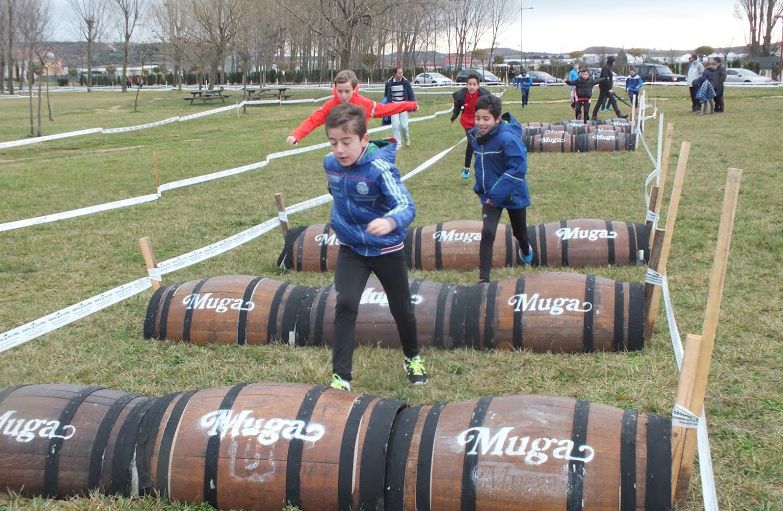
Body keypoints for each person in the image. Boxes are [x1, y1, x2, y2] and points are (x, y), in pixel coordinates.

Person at [322, 103, 428, 391]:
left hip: (386, 250)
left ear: (364, 140)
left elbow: (406, 204)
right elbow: (336, 194)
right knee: (345, 304)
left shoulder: (380, 169)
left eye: (346, 142)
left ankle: (412, 358)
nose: (339, 150)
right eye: (333, 143)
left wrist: (391, 221)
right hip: (352, 248)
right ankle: (341, 376)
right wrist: (340, 222)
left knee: (401, 308)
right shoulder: (330, 165)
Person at [467, 94, 532, 283]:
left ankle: (526, 251)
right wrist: (482, 189)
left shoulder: (508, 139)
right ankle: (483, 278)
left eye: (486, 119)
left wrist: (496, 194)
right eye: (478, 118)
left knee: (520, 233)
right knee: (488, 232)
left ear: (497, 118)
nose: (480, 122)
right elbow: (480, 166)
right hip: (490, 196)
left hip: (513, 193)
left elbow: (518, 168)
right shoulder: (477, 137)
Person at [287, 69, 418, 146]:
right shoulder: (331, 106)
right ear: (335, 89)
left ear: (355, 88)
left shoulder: (364, 104)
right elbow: (313, 120)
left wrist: (410, 105)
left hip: (360, 148)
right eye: (340, 91)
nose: (343, 95)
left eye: (347, 91)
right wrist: (297, 135)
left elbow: (387, 109)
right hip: (341, 149)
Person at [450, 72, 491, 180]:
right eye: (470, 84)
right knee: (474, 142)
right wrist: (454, 117)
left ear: (478, 86)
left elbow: (491, 106)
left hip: (479, 122)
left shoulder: (483, 95)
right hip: (467, 122)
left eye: (474, 84)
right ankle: (473, 169)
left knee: (473, 144)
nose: (472, 87)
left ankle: (468, 168)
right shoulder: (461, 96)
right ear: (466, 85)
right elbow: (457, 107)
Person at [384, 66, 415, 148]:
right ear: (394, 73)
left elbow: (411, 95)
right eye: (399, 73)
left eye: (402, 73)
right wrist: (387, 106)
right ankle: (398, 144)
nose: (401, 74)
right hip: (393, 107)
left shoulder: (406, 82)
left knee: (404, 126)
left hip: (403, 106)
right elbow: (386, 95)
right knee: (395, 126)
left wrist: (413, 107)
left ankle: (406, 138)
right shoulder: (389, 83)